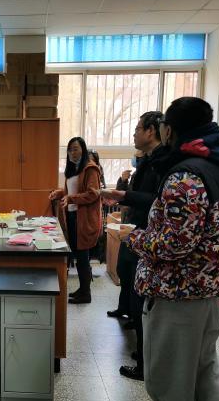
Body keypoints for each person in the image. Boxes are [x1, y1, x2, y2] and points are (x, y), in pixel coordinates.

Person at [127, 97, 219, 401]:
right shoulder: (218, 167)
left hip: (177, 291)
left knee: (167, 372)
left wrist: (132, 237)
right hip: (206, 290)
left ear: (170, 129)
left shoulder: (185, 177)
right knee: (205, 369)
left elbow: (174, 243)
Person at [101, 111, 163, 382]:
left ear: (152, 131)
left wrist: (123, 194)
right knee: (129, 281)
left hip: (148, 236)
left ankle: (146, 363)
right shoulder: (147, 162)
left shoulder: (163, 165)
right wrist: (123, 197)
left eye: (138, 128)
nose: (134, 133)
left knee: (142, 300)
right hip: (134, 231)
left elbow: (157, 200)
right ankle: (143, 353)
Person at [49, 137, 102, 304]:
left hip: (84, 220)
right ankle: (82, 289)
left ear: (83, 149)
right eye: (70, 149)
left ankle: (86, 293)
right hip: (72, 217)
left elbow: (93, 193)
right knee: (78, 256)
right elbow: (71, 191)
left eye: (76, 148)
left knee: (83, 256)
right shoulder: (73, 169)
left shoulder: (90, 169)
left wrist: (71, 198)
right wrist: (59, 193)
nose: (72, 152)